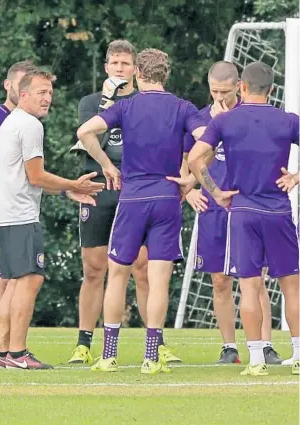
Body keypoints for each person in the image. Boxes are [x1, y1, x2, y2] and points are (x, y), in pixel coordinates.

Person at [77, 48, 205, 374]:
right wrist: (190, 178)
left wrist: (107, 165)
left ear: (137, 74)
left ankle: (108, 355)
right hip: (167, 198)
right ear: (166, 74)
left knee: (117, 274)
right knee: (158, 279)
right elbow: (210, 141)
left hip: (132, 198)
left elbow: (84, 132)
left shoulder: (126, 105)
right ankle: (152, 355)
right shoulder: (183, 107)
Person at [187, 62, 299, 376]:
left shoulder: (225, 121)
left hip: (243, 212)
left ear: (243, 88)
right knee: (292, 288)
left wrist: (216, 191)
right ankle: (298, 354)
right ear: (273, 90)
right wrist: (295, 178)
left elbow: (195, 158)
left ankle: (256, 360)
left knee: (249, 288)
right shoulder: (288, 120)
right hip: (278, 211)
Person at [0, 68, 105, 369]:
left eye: (50, 92)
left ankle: (2, 354)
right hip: (19, 216)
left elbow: (23, 178)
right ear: (23, 94)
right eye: (41, 92)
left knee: (14, 282)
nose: (47, 98)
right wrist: (73, 184)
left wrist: (66, 193)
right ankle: (17, 353)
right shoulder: (28, 125)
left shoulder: (13, 122)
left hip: (4, 215)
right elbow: (36, 176)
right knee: (30, 279)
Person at [0, 60, 36, 349]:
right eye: (20, 83)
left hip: (16, 209)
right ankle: (2, 347)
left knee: (18, 278)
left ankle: (8, 346)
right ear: (8, 85)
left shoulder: (26, 121)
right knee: (2, 280)